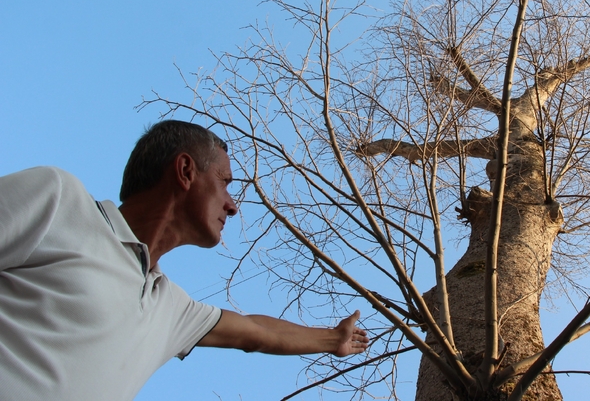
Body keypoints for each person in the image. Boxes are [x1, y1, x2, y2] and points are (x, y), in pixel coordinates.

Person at [0, 120, 368, 400]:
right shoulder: (59, 200)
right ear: (186, 171)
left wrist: (331, 338)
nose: (233, 205)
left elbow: (256, 333)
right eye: (224, 182)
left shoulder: (170, 308)